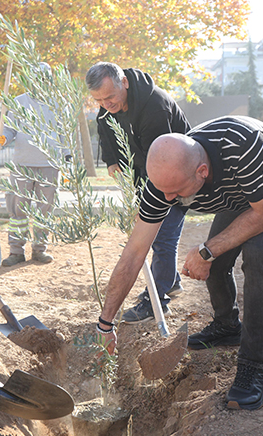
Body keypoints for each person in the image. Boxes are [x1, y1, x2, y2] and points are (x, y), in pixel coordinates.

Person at [95, 116, 263, 411]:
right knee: (218, 255)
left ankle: (252, 368)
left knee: (258, 254)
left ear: (202, 171)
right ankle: (226, 326)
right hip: (246, 192)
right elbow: (133, 253)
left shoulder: (243, 146)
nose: (168, 199)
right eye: (163, 191)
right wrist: (105, 323)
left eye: (176, 192)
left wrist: (206, 251)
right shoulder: (164, 181)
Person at [85, 62, 191, 324]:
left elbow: (163, 161)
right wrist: (111, 161)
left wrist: (147, 198)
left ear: (125, 82)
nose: (105, 104)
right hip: (145, 177)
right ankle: (171, 281)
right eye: (99, 99)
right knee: (157, 238)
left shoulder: (154, 106)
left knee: (163, 237)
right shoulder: (109, 104)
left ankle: (157, 301)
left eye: (109, 97)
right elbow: (104, 127)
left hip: (178, 177)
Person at [0, 62, 64, 266]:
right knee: (18, 210)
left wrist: (68, 156)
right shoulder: (18, 102)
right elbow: (9, 130)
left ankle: (39, 250)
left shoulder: (58, 103)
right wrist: (4, 138)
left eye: (44, 79)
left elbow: (65, 134)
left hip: (49, 165)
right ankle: (16, 251)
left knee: (45, 210)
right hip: (22, 165)